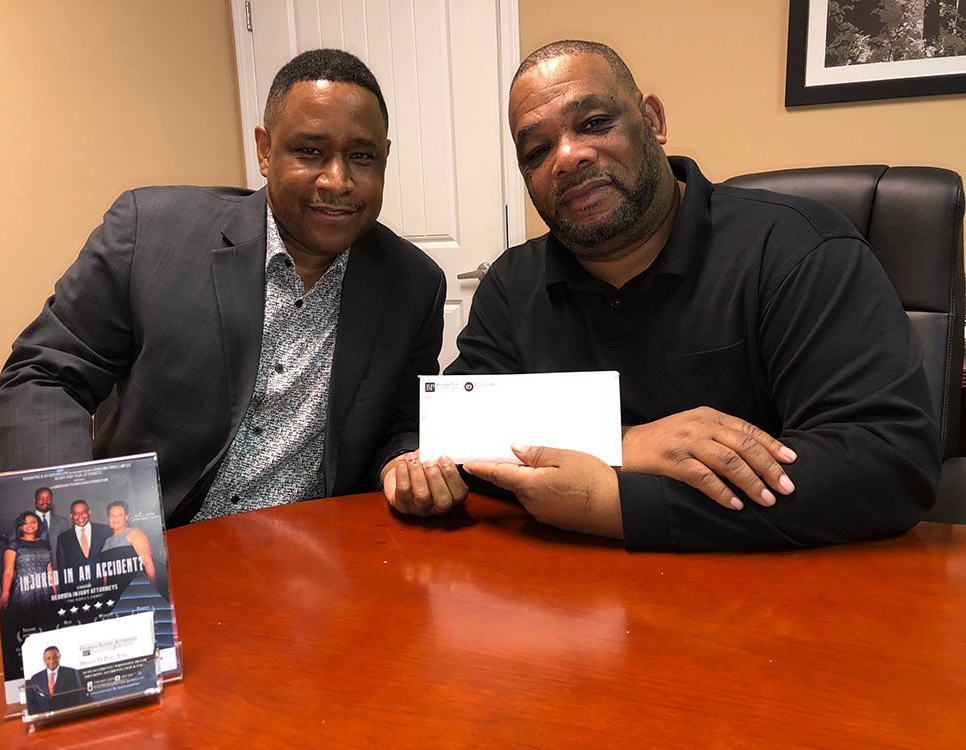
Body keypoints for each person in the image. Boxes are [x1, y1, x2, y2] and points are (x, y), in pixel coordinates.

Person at [386, 40, 940, 550]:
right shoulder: (512, 284)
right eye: (536, 151)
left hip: (769, 607)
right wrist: (622, 443)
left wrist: (616, 502)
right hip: (564, 608)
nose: (568, 156)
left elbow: (887, 462)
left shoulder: (796, 247)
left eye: (595, 122)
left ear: (652, 120)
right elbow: (455, 431)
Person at [0, 49, 445, 525]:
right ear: (266, 150)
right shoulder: (152, 233)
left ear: (385, 158)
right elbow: (45, 374)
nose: (338, 181)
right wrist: (66, 510)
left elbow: (401, 425)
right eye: (310, 151)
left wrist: (403, 459)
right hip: (151, 547)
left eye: (361, 157)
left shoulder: (414, 285)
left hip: (315, 564)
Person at [0, 511, 56, 611]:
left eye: (33, 522)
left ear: (39, 525)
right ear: (20, 527)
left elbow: (49, 568)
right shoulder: (14, 544)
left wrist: (55, 591)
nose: (30, 525)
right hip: (24, 590)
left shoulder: (45, 544)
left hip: (45, 590)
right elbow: (8, 572)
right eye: (25, 523)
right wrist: (5, 594)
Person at [100, 500, 157, 587]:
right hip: (114, 593)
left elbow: (148, 562)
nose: (115, 519)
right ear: (108, 518)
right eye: (112, 516)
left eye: (119, 515)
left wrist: (153, 588)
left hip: (135, 588)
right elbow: (105, 572)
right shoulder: (106, 541)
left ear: (126, 517)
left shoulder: (134, 533)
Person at [55, 500, 110, 584]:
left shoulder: (104, 531)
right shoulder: (63, 538)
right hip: (76, 590)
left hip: (103, 585)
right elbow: (62, 570)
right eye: (76, 513)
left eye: (83, 512)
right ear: (71, 515)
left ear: (89, 512)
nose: (80, 516)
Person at [26, 646, 83, 713]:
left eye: (55, 657)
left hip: (66, 715)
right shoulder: (35, 678)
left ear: (59, 657)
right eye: (48, 658)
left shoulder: (71, 673)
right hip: (44, 717)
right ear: (44, 659)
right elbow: (32, 702)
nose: (52, 661)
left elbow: (77, 697)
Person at [31, 487, 70, 561]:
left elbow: (68, 548)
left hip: (59, 568)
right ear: (34, 500)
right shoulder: (24, 523)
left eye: (48, 498)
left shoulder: (63, 522)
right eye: (41, 498)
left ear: (52, 501)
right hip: (35, 568)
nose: (45, 501)